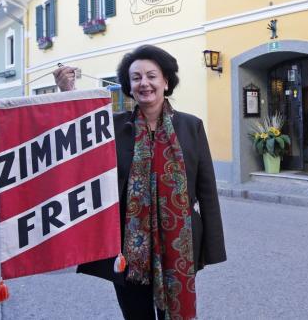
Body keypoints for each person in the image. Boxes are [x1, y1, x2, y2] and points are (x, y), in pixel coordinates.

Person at [53, 45, 227, 320]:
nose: (144, 83)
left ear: (166, 81)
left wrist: (212, 245)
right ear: (129, 86)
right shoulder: (111, 127)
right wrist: (68, 92)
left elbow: (206, 191)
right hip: (127, 248)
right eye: (136, 78)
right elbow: (77, 138)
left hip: (178, 246)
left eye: (151, 76)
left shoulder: (191, 126)